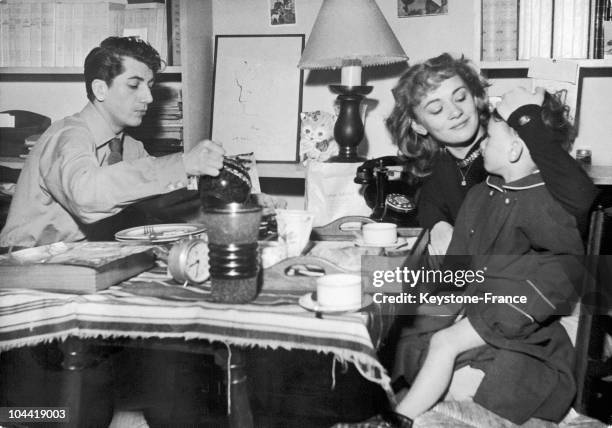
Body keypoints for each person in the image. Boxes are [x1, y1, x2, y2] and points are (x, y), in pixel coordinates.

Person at [342, 89, 586, 428]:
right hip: (479, 309)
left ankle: (394, 421)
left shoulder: (545, 203)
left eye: (489, 137)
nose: (480, 142)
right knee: (402, 332)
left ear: (515, 150)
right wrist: (387, 268)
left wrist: (499, 311)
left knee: (445, 345)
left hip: (520, 323)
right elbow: (456, 270)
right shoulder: (479, 195)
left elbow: (562, 273)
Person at [0, 36, 225, 250]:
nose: (149, 97)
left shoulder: (131, 147)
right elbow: (86, 198)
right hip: (26, 265)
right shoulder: (67, 135)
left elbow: (160, 204)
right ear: (100, 89)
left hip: (85, 262)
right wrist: (182, 164)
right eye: (134, 85)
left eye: (149, 85)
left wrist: (233, 210)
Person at [386, 53, 598, 255]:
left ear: (474, 95)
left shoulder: (509, 145)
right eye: (436, 109)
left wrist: (527, 119)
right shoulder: (439, 160)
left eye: (460, 97)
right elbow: (428, 200)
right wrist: (436, 225)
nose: (455, 112)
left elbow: (578, 195)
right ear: (419, 126)